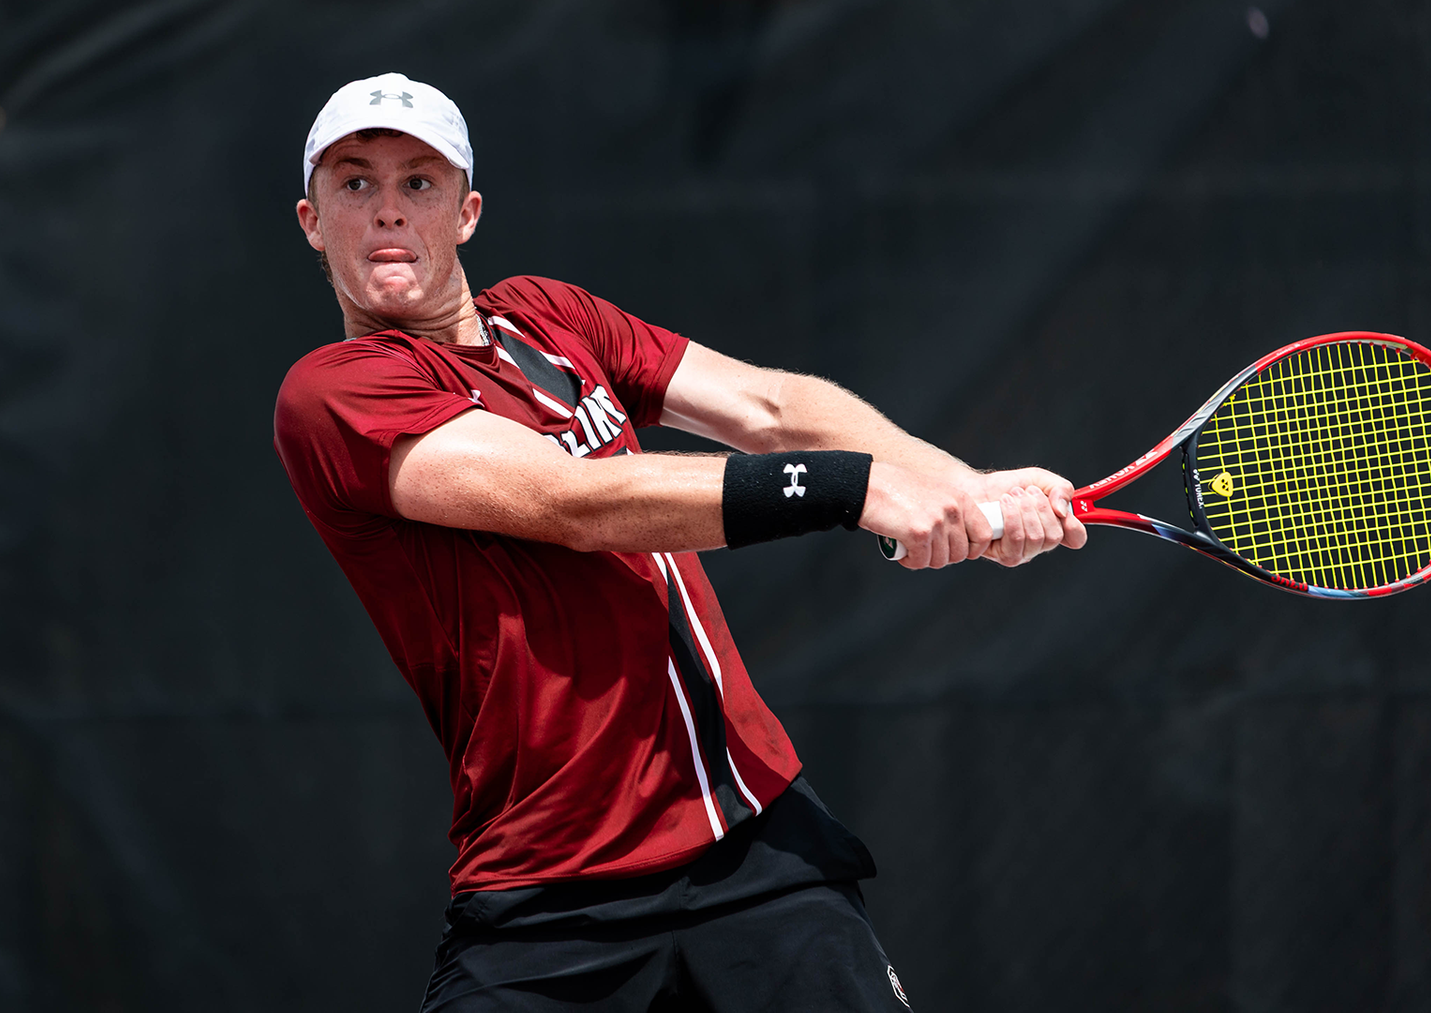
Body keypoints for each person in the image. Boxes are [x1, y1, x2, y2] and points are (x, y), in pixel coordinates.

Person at [274, 72, 1088, 1013]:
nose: (387, 211)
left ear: (466, 212)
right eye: (356, 182)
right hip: (549, 897)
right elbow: (573, 500)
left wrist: (961, 485)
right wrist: (857, 489)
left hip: (758, 849)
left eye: (420, 183)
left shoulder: (551, 317)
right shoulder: (333, 394)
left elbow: (772, 409)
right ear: (311, 218)